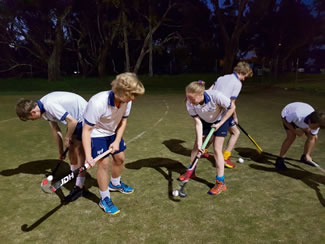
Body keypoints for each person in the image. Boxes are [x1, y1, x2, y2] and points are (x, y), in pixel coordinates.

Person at [82, 72, 145, 215]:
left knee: (120, 158)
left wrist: (116, 141)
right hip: (96, 133)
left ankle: (115, 184)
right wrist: (88, 156)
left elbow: (123, 121)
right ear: (122, 92)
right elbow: (87, 130)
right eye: (131, 95)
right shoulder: (97, 102)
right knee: (103, 163)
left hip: (112, 132)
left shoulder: (126, 101)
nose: (133, 99)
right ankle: (104, 199)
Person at [16, 92, 88, 201]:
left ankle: (79, 186)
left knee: (78, 148)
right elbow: (55, 129)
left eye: (31, 118)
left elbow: (72, 122)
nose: (33, 120)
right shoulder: (42, 110)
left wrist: (67, 138)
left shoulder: (49, 105)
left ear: (33, 112)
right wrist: (60, 151)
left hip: (84, 116)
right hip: (74, 118)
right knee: (72, 148)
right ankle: (73, 173)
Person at [179, 80, 235, 195]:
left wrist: (220, 123)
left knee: (216, 149)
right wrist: (200, 143)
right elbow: (198, 123)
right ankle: (191, 171)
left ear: (201, 94)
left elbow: (232, 107)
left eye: (192, 99)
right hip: (205, 121)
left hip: (221, 119)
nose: (190, 101)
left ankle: (221, 183)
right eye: (188, 98)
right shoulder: (190, 103)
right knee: (196, 146)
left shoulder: (216, 96)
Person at [203, 61, 253, 169]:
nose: (244, 79)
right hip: (223, 111)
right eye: (245, 76)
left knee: (213, 131)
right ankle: (226, 157)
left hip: (212, 109)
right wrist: (235, 117)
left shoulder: (221, 78)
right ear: (241, 72)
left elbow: (209, 91)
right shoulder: (237, 83)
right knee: (235, 132)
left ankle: (205, 150)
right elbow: (231, 103)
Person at [275, 102, 325, 170]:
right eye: (315, 127)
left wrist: (307, 155)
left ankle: (304, 157)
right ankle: (280, 160)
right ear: (310, 122)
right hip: (287, 116)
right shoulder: (296, 115)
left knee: (314, 137)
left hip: (301, 120)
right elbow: (285, 120)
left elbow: (312, 138)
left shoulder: (317, 123)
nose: (316, 128)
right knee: (291, 136)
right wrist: (295, 131)